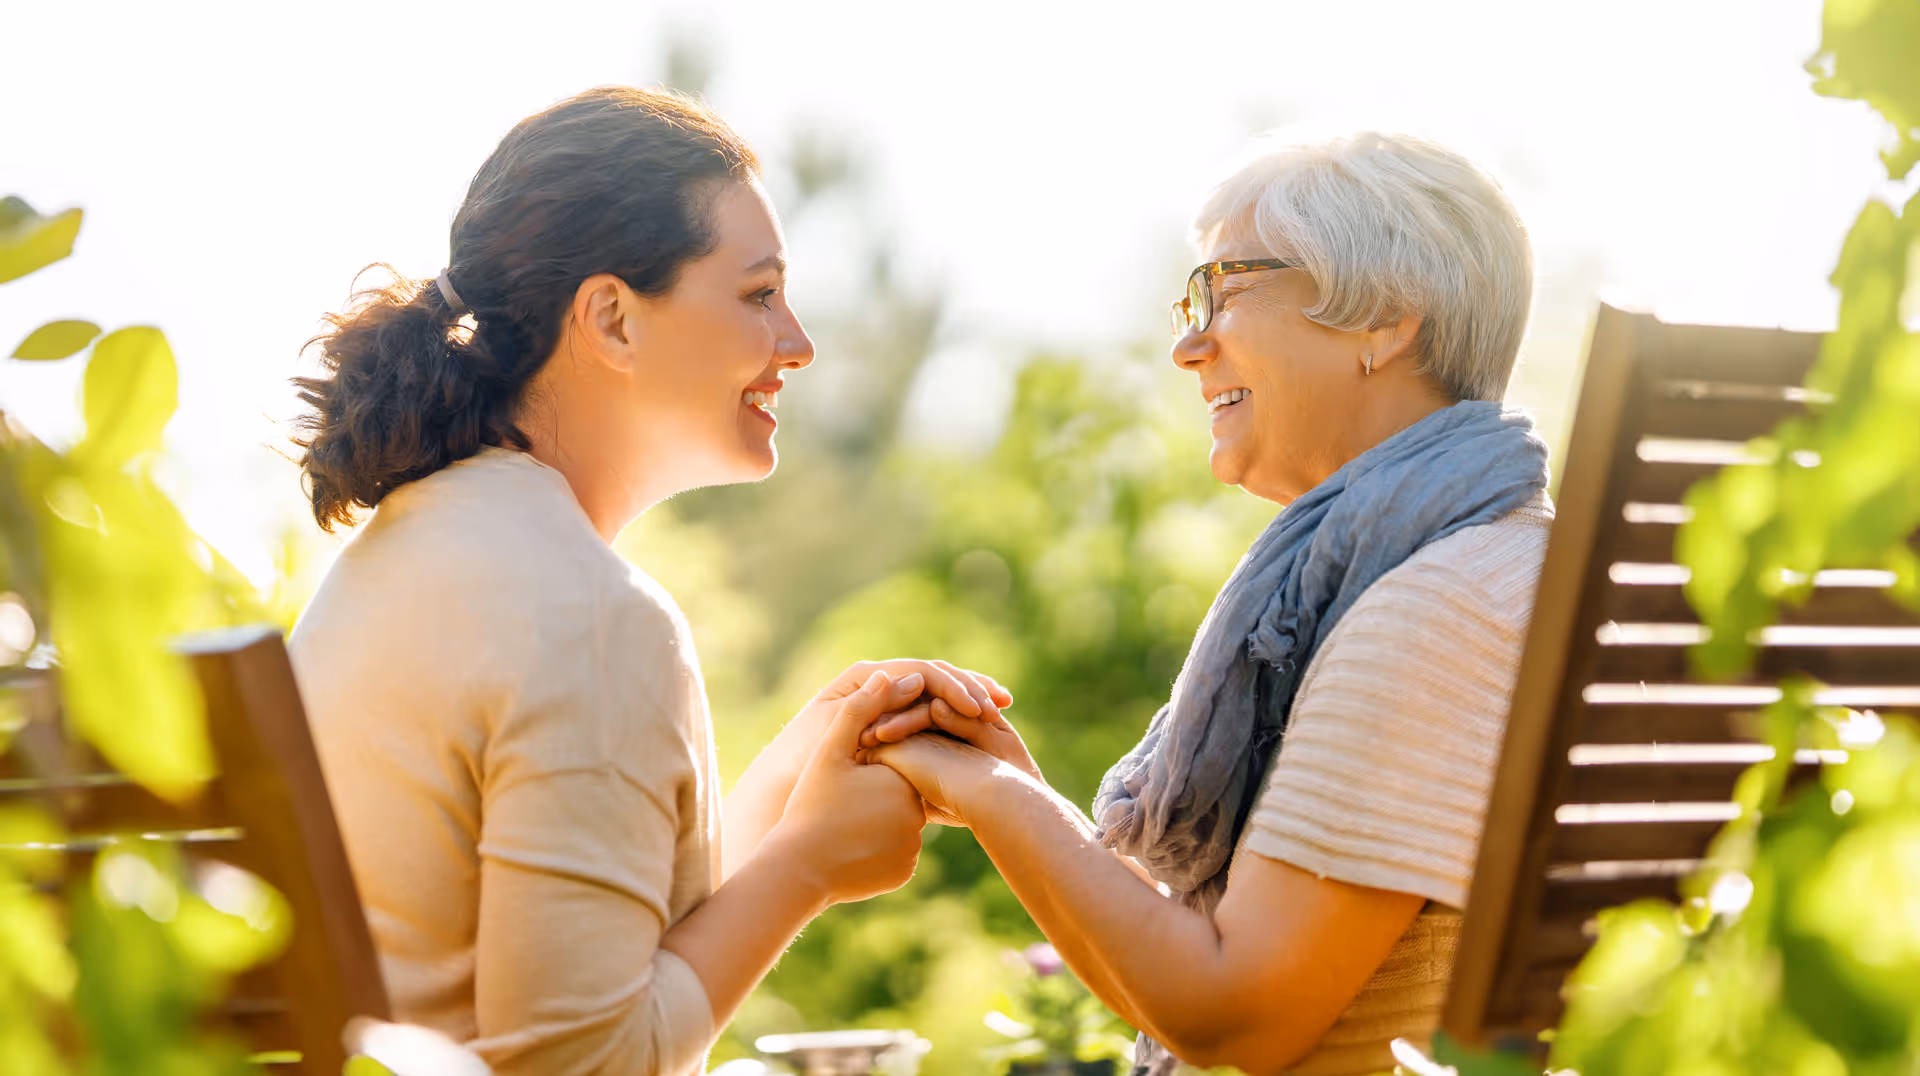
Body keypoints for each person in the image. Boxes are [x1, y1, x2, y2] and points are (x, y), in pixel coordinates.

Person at [287, 86, 1010, 1076]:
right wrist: (808, 866)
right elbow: (580, 1062)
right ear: (614, 318)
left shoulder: (399, 558)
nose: (798, 341)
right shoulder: (588, 617)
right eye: (758, 293)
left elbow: (585, 954)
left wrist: (794, 787)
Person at [864, 132, 1551, 1076]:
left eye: (1224, 290)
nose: (1189, 346)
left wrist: (985, 795)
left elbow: (1233, 1019)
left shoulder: (1433, 613)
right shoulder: (1513, 571)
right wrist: (1022, 790)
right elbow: (1241, 963)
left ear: (1384, 318)